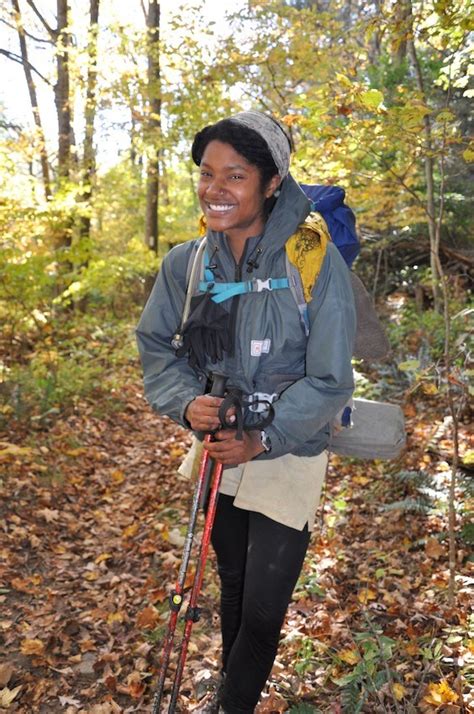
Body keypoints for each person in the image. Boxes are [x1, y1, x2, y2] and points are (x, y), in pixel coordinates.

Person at [136, 111, 356, 714]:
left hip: (290, 443)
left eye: (235, 175)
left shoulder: (311, 261)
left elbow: (333, 378)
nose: (215, 189)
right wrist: (187, 403)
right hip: (217, 444)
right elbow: (157, 347)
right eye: (207, 174)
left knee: (263, 606)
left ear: (272, 182)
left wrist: (265, 438)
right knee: (232, 580)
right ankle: (229, 701)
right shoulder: (186, 265)